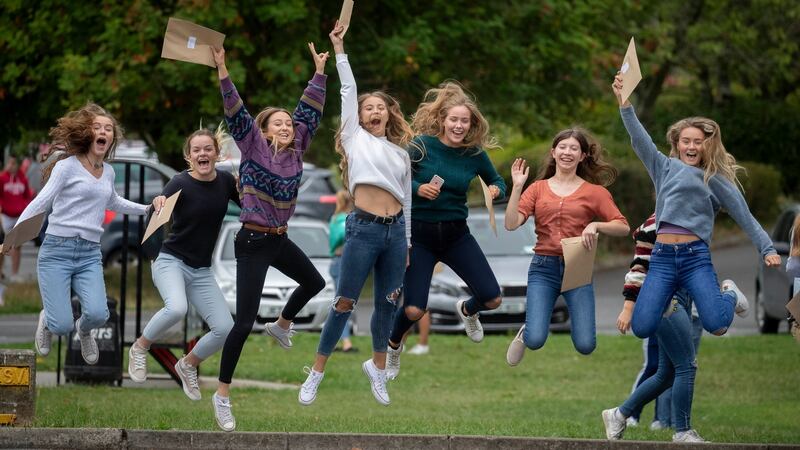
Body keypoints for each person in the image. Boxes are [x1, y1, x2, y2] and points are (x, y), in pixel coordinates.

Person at [211, 42, 329, 432]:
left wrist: (319, 73)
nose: (286, 126)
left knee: (314, 281)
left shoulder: (297, 150)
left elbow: (309, 113)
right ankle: (222, 395)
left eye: (287, 122)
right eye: (277, 122)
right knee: (242, 323)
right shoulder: (253, 146)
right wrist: (223, 69)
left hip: (278, 238)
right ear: (262, 130)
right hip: (252, 241)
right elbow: (236, 112)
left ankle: (281, 324)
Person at [611, 74, 780, 339]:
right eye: (685, 141)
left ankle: (730, 294)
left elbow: (744, 215)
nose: (691, 146)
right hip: (663, 257)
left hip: (695, 258)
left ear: (706, 146)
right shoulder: (664, 167)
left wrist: (766, 248)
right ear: (677, 145)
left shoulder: (715, 179)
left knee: (716, 324)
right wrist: (625, 104)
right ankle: (668, 300)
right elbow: (639, 139)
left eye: (697, 142)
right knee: (642, 327)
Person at [299, 22, 414, 407]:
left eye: (380, 107)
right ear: (360, 117)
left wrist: (408, 241)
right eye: (369, 108)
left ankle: (378, 371)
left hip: (395, 232)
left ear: (388, 115)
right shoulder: (354, 137)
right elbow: (348, 90)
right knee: (344, 301)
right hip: (363, 229)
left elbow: (408, 201)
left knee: (389, 303)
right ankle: (316, 372)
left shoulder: (400, 154)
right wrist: (340, 48)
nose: (375, 111)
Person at [385, 81, 506, 380]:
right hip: (420, 237)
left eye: (465, 121)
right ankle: (393, 345)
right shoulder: (421, 146)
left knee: (492, 298)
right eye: (454, 119)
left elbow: (499, 183)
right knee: (414, 310)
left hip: (456, 235)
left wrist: (494, 189)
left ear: (471, 123)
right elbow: (395, 180)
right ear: (442, 120)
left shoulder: (474, 154)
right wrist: (418, 188)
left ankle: (467, 310)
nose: (459, 125)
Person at [22, 103, 155, 366]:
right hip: (57, 251)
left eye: (108, 128)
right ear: (86, 133)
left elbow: (113, 201)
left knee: (97, 314)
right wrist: (13, 237)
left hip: (89, 253)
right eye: (97, 128)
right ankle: (48, 319)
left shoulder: (108, 172)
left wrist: (148, 209)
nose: (104, 131)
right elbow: (41, 202)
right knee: (61, 326)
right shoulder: (67, 167)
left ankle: (84, 332)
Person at [128, 129, 239, 401]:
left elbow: (249, 207)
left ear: (217, 153)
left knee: (225, 329)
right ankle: (140, 347)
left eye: (207, 149)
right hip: (171, 262)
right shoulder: (180, 182)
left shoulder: (225, 181)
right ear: (189, 156)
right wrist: (157, 204)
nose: (203, 154)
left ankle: (188, 363)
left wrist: (248, 186)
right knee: (176, 308)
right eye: (196, 150)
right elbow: (156, 215)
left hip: (201, 270)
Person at [504, 128, 629, 364]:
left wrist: (596, 226)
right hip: (543, 267)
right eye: (562, 147)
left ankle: (533, 327)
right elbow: (511, 224)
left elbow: (622, 226)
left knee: (585, 345)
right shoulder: (537, 188)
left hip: (577, 267)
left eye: (574, 148)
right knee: (535, 339)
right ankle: (527, 331)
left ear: (582, 156)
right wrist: (518, 187)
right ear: (553, 152)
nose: (567, 152)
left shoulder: (595, 192)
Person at [616, 213, 703, 432]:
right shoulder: (652, 226)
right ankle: (680, 430)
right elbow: (638, 268)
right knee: (685, 366)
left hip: (688, 307)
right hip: (666, 305)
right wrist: (628, 309)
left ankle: (620, 414)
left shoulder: (694, 217)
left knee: (666, 373)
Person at [328, 189, 356, 353]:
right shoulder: (342, 219)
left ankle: (336, 339)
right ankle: (346, 341)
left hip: (339, 262)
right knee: (342, 303)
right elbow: (341, 236)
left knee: (342, 302)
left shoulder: (335, 218)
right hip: (341, 262)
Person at [0, 155, 34, 281]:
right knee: (5, 245)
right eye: (10, 163)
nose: (12, 166)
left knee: (17, 244)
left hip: (19, 216)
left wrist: (26, 208)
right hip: (6, 216)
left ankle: (14, 274)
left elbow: (27, 196)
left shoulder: (23, 179)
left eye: (14, 163)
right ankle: (1, 270)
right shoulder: (2, 178)